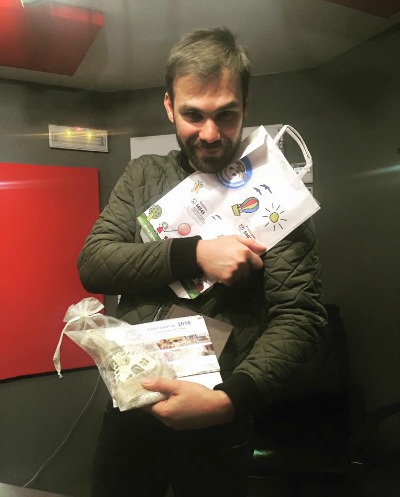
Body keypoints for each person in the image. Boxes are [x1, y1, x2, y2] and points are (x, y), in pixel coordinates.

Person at [78, 27, 334, 497]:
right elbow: (94, 263)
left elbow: (301, 317)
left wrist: (228, 402)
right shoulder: (143, 175)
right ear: (170, 106)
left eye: (226, 114)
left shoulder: (280, 196)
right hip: (132, 405)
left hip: (218, 416)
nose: (210, 134)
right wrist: (194, 254)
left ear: (246, 105)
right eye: (193, 115)